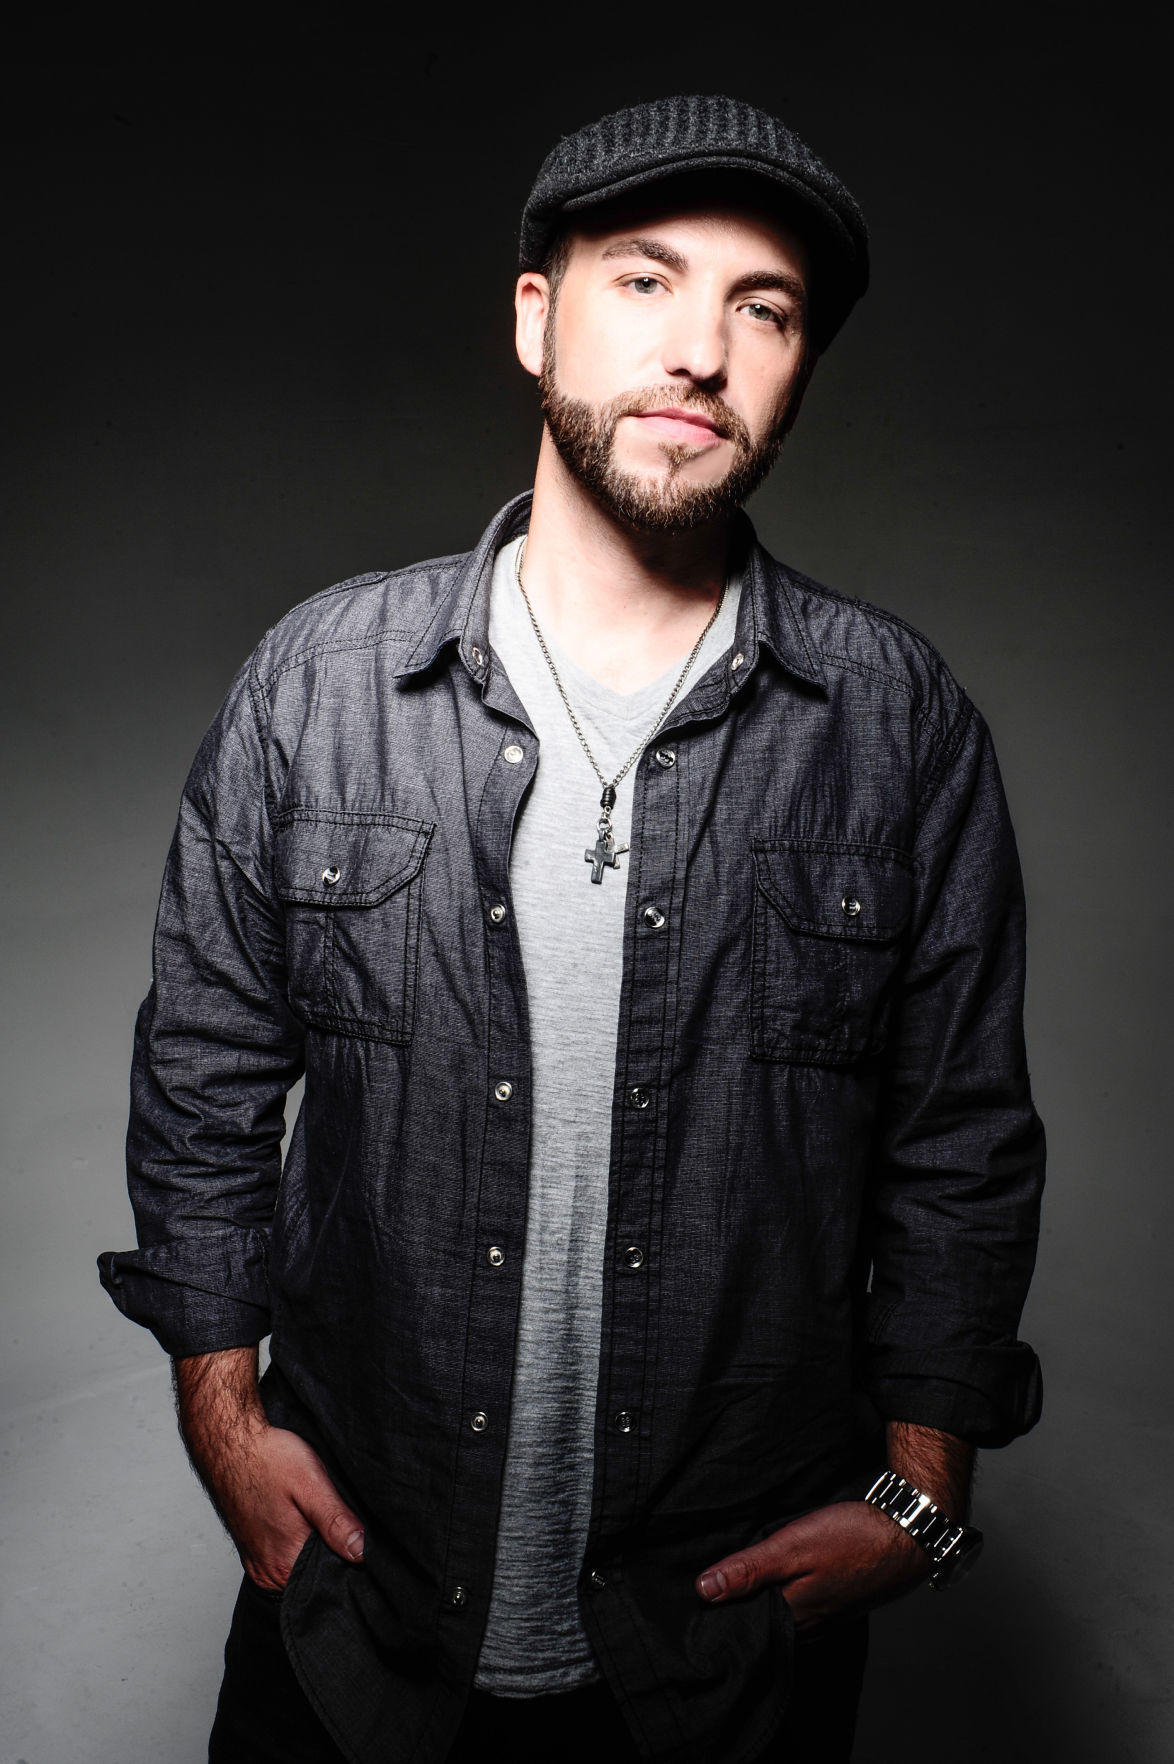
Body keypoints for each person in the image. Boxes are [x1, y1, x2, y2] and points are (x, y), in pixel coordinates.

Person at [99, 94, 1044, 1764]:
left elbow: (958, 1141)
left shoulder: (897, 724)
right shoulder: (320, 684)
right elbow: (202, 1082)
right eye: (645, 281)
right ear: (536, 318)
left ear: (797, 367)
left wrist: (923, 1496)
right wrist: (225, 1425)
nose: (700, 350)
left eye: (762, 309)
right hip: (357, 1621)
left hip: (725, 1656)